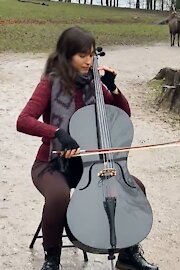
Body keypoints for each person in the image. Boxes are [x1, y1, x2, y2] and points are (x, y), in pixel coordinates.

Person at [16, 26, 158, 270]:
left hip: (91, 165)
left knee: (135, 188)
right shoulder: (50, 83)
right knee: (59, 196)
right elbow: (23, 121)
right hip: (53, 163)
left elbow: (123, 115)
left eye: (92, 55)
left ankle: (128, 254)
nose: (89, 61)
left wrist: (112, 88)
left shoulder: (95, 85)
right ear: (66, 55)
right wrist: (57, 133)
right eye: (82, 55)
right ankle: (52, 259)